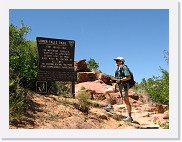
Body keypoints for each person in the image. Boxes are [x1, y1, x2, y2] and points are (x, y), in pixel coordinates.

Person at [104, 56, 133, 122]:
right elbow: (117, 79)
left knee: (126, 101)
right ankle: (110, 106)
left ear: (121, 61)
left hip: (124, 86)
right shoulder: (117, 70)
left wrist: (120, 80)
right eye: (116, 61)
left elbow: (128, 77)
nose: (116, 62)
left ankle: (129, 117)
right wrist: (114, 84)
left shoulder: (124, 67)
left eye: (117, 61)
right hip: (118, 85)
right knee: (106, 92)